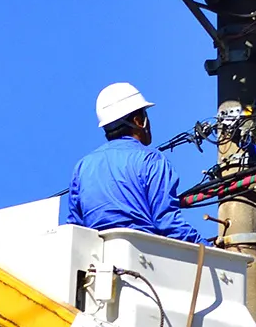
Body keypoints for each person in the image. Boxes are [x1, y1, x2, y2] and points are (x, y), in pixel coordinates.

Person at [65, 83, 205, 243]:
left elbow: (75, 229)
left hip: (94, 261)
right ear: (139, 121)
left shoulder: (82, 167)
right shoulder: (151, 159)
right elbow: (167, 223)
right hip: (143, 257)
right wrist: (210, 251)